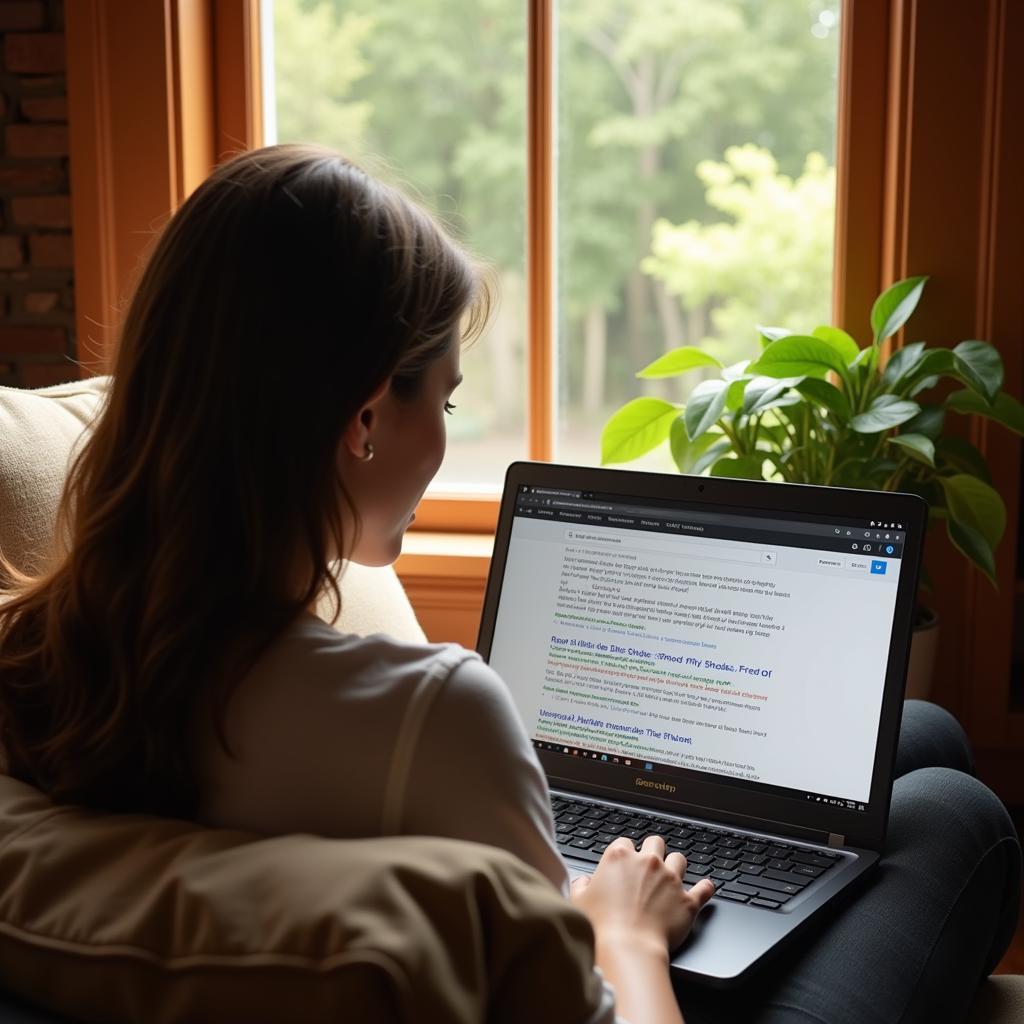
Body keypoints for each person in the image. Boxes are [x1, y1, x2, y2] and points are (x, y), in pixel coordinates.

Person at [0, 144, 1018, 1024]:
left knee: (910, 740)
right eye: (440, 397)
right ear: (361, 422)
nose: (443, 436)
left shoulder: (45, 651)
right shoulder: (435, 717)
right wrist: (625, 930)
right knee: (955, 813)